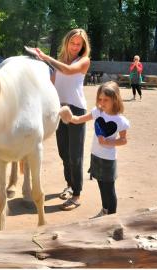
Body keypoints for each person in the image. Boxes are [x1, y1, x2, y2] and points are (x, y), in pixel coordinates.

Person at [34, 28, 91, 210]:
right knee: (64, 152)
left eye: (78, 44)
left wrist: (46, 58)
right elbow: (50, 83)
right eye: (72, 43)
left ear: (83, 46)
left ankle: (77, 194)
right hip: (59, 109)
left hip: (76, 109)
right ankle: (69, 184)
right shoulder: (61, 61)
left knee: (75, 155)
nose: (75, 46)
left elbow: (67, 71)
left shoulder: (83, 61)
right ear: (66, 42)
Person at [59, 81, 129, 216]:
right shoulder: (97, 112)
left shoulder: (121, 120)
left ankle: (112, 217)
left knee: (109, 189)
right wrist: (69, 116)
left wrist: (109, 141)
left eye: (106, 100)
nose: (102, 102)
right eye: (100, 99)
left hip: (108, 159)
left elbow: (124, 140)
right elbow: (78, 119)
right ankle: (104, 210)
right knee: (101, 186)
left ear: (115, 99)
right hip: (95, 155)